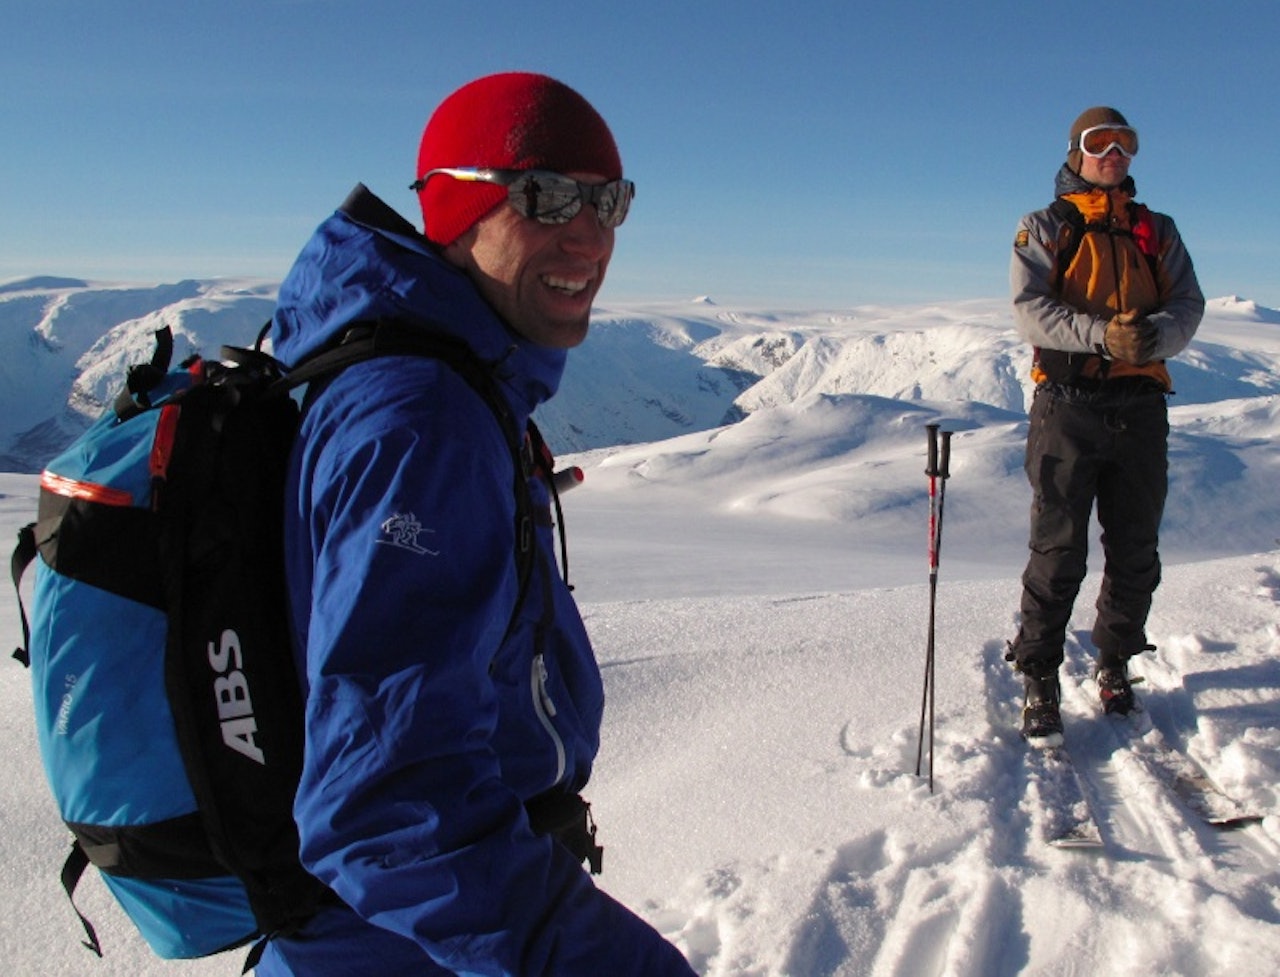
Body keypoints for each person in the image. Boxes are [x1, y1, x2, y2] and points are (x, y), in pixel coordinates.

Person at [256, 72, 695, 976]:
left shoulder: (450, 381)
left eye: (610, 200)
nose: (590, 231)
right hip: (406, 946)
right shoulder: (424, 424)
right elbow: (385, 803)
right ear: (457, 208)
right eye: (547, 195)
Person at [1006, 106, 1205, 745]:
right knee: (1058, 550)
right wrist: (1102, 338)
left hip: (1139, 409)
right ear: (1076, 151)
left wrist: (1152, 340)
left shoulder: (1157, 229)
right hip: (1068, 405)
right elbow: (1030, 310)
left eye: (1125, 143)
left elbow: (1188, 303)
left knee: (1135, 549)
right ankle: (1039, 673)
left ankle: (1114, 661)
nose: (1114, 153)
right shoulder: (1045, 227)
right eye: (1100, 142)